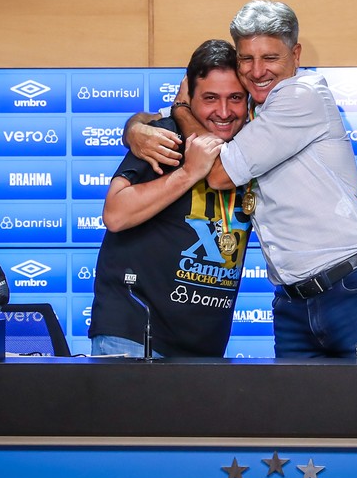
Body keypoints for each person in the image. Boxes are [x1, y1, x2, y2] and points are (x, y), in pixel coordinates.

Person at [129, 0, 357, 359]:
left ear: (295, 54)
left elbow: (217, 173)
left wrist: (181, 109)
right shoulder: (251, 113)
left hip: (352, 291)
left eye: (270, 58)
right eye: (246, 59)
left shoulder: (300, 96)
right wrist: (135, 129)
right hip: (292, 303)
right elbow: (155, 121)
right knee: (295, 415)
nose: (257, 71)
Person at [89, 39, 252, 357]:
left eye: (235, 98)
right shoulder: (165, 137)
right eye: (210, 98)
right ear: (188, 97)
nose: (223, 111)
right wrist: (187, 173)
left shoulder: (254, 148)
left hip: (204, 347)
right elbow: (116, 213)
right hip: (136, 339)